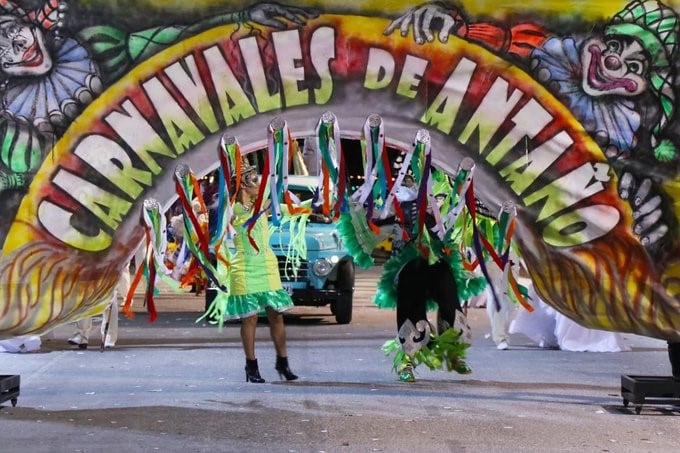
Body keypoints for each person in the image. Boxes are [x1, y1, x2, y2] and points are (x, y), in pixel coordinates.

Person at [213, 158, 297, 383]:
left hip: (267, 266)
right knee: (250, 318)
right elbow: (219, 225)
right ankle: (251, 366)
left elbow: (289, 208)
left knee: (276, 316)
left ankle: (283, 362)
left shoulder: (263, 204)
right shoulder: (233, 209)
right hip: (244, 267)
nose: (259, 184)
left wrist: (316, 204)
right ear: (243, 185)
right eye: (254, 181)